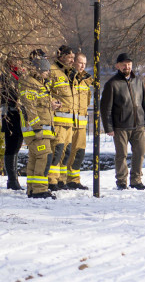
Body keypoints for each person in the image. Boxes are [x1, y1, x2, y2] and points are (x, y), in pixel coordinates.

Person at [100, 52, 145, 190]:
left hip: (139, 125)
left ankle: (136, 180)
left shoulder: (138, 82)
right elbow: (106, 108)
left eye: (129, 64)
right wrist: (109, 127)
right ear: (118, 66)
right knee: (121, 155)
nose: (126, 67)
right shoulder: (112, 84)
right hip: (120, 126)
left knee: (140, 153)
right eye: (123, 64)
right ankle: (121, 181)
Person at [19, 51, 56, 199]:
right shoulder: (30, 83)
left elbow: (39, 105)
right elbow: (29, 108)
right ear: (39, 69)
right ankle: (40, 190)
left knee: (35, 159)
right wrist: (37, 128)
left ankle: (32, 189)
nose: (48, 73)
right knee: (44, 157)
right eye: (46, 70)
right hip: (37, 131)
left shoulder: (39, 83)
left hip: (41, 130)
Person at [62, 53, 91, 190]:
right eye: (80, 63)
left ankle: (74, 179)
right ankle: (60, 180)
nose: (83, 66)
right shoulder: (68, 77)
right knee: (64, 152)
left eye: (85, 63)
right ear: (73, 63)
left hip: (81, 124)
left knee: (79, 153)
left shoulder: (86, 80)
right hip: (67, 122)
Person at [49, 45, 76, 190]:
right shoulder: (53, 71)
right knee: (57, 151)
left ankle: (61, 180)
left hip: (69, 121)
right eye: (69, 57)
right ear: (61, 57)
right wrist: (51, 101)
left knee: (66, 152)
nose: (72, 60)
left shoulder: (69, 73)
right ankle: (52, 180)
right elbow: (45, 90)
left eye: (73, 58)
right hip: (58, 120)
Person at [3, 57, 23, 190]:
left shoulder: (20, 75)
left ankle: (14, 179)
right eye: (15, 60)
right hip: (10, 114)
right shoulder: (6, 76)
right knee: (11, 145)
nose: (18, 62)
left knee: (17, 145)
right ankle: (12, 179)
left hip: (18, 114)